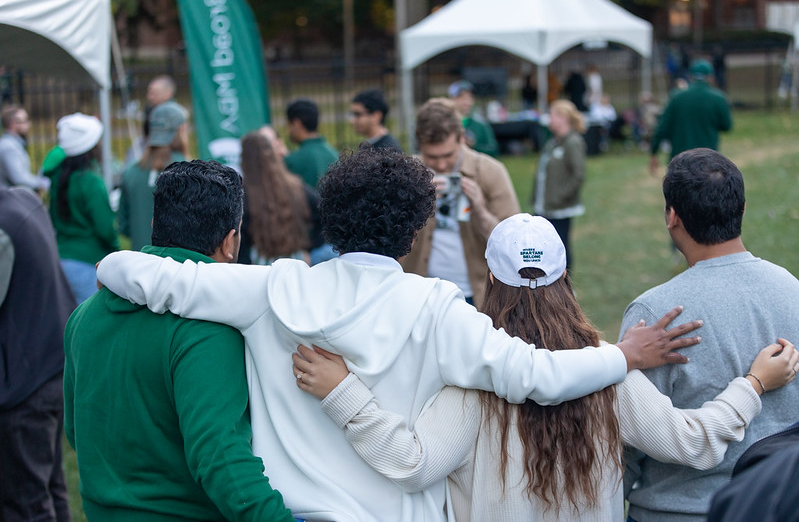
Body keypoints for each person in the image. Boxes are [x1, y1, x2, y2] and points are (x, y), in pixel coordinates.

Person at [97, 146, 702, 522]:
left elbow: (134, 271)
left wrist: (109, 262)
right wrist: (621, 356)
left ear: (329, 219)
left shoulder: (267, 290)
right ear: (414, 234)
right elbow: (535, 376)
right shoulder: (437, 307)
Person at [292, 213, 798, 521]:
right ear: (563, 276)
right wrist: (754, 383)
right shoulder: (605, 370)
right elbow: (693, 441)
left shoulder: (474, 374)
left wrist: (344, 393)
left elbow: (412, 462)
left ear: (489, 275)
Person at [64, 160, 294, 521]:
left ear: (156, 225)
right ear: (231, 241)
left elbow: (77, 431)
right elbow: (219, 455)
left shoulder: (83, 316)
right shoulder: (208, 328)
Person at [619, 148, 799, 522]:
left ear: (672, 217)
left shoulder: (653, 316)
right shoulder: (792, 291)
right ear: (742, 208)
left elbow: (628, 442)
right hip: (775, 506)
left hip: (674, 512)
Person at [0, 187, 76, 521]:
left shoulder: (2, 229)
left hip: (24, 383)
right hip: (54, 363)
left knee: (26, 502)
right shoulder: (24, 199)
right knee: (50, 485)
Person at [403, 98, 519, 306]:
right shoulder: (408, 172)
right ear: (419, 145)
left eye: (448, 155)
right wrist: (416, 200)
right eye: (431, 156)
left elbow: (514, 244)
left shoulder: (489, 170)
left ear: (462, 139)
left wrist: (480, 210)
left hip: (476, 294)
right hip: (421, 293)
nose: (441, 164)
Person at [45, 113, 118, 303]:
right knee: (89, 327)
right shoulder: (91, 181)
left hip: (60, 259)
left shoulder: (57, 178)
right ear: (92, 147)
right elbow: (105, 228)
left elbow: (53, 218)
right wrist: (115, 250)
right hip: (87, 262)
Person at [238, 127, 322, 265]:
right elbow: (323, 213)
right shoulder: (296, 187)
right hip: (297, 262)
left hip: (260, 266)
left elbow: (241, 240)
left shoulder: (244, 195)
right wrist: (311, 246)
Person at [118, 101, 189, 251]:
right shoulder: (189, 173)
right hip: (176, 266)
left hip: (140, 263)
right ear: (182, 129)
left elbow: (123, 225)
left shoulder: (131, 171)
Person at [649, 59, 732, 176]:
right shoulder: (719, 98)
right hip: (708, 160)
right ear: (711, 77)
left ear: (691, 76)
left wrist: (654, 152)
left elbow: (663, 127)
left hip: (680, 160)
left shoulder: (676, 97)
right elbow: (726, 126)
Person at [531, 99, 586, 270]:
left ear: (563, 118)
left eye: (552, 115)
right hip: (545, 206)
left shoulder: (572, 142)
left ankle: (566, 286)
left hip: (560, 208)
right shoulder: (553, 142)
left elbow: (578, 175)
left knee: (561, 245)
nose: (549, 119)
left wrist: (560, 196)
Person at [284, 98, 339, 188]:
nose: (288, 131)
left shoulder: (292, 161)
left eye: (289, 125)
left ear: (296, 123)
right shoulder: (335, 154)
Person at [125, 75, 178, 165]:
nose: (149, 97)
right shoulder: (149, 109)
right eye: (149, 92)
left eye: (154, 93)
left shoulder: (176, 116)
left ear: (167, 94)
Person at [0, 105, 49, 192]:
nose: (28, 124)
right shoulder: (9, 147)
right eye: (25, 120)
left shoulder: (12, 144)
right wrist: (41, 183)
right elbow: (19, 178)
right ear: (13, 124)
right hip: (9, 201)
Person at [448, 80, 499, 157]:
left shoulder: (481, 124)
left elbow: (493, 150)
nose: (466, 102)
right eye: (461, 98)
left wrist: (474, 146)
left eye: (469, 97)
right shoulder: (445, 123)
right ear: (452, 99)